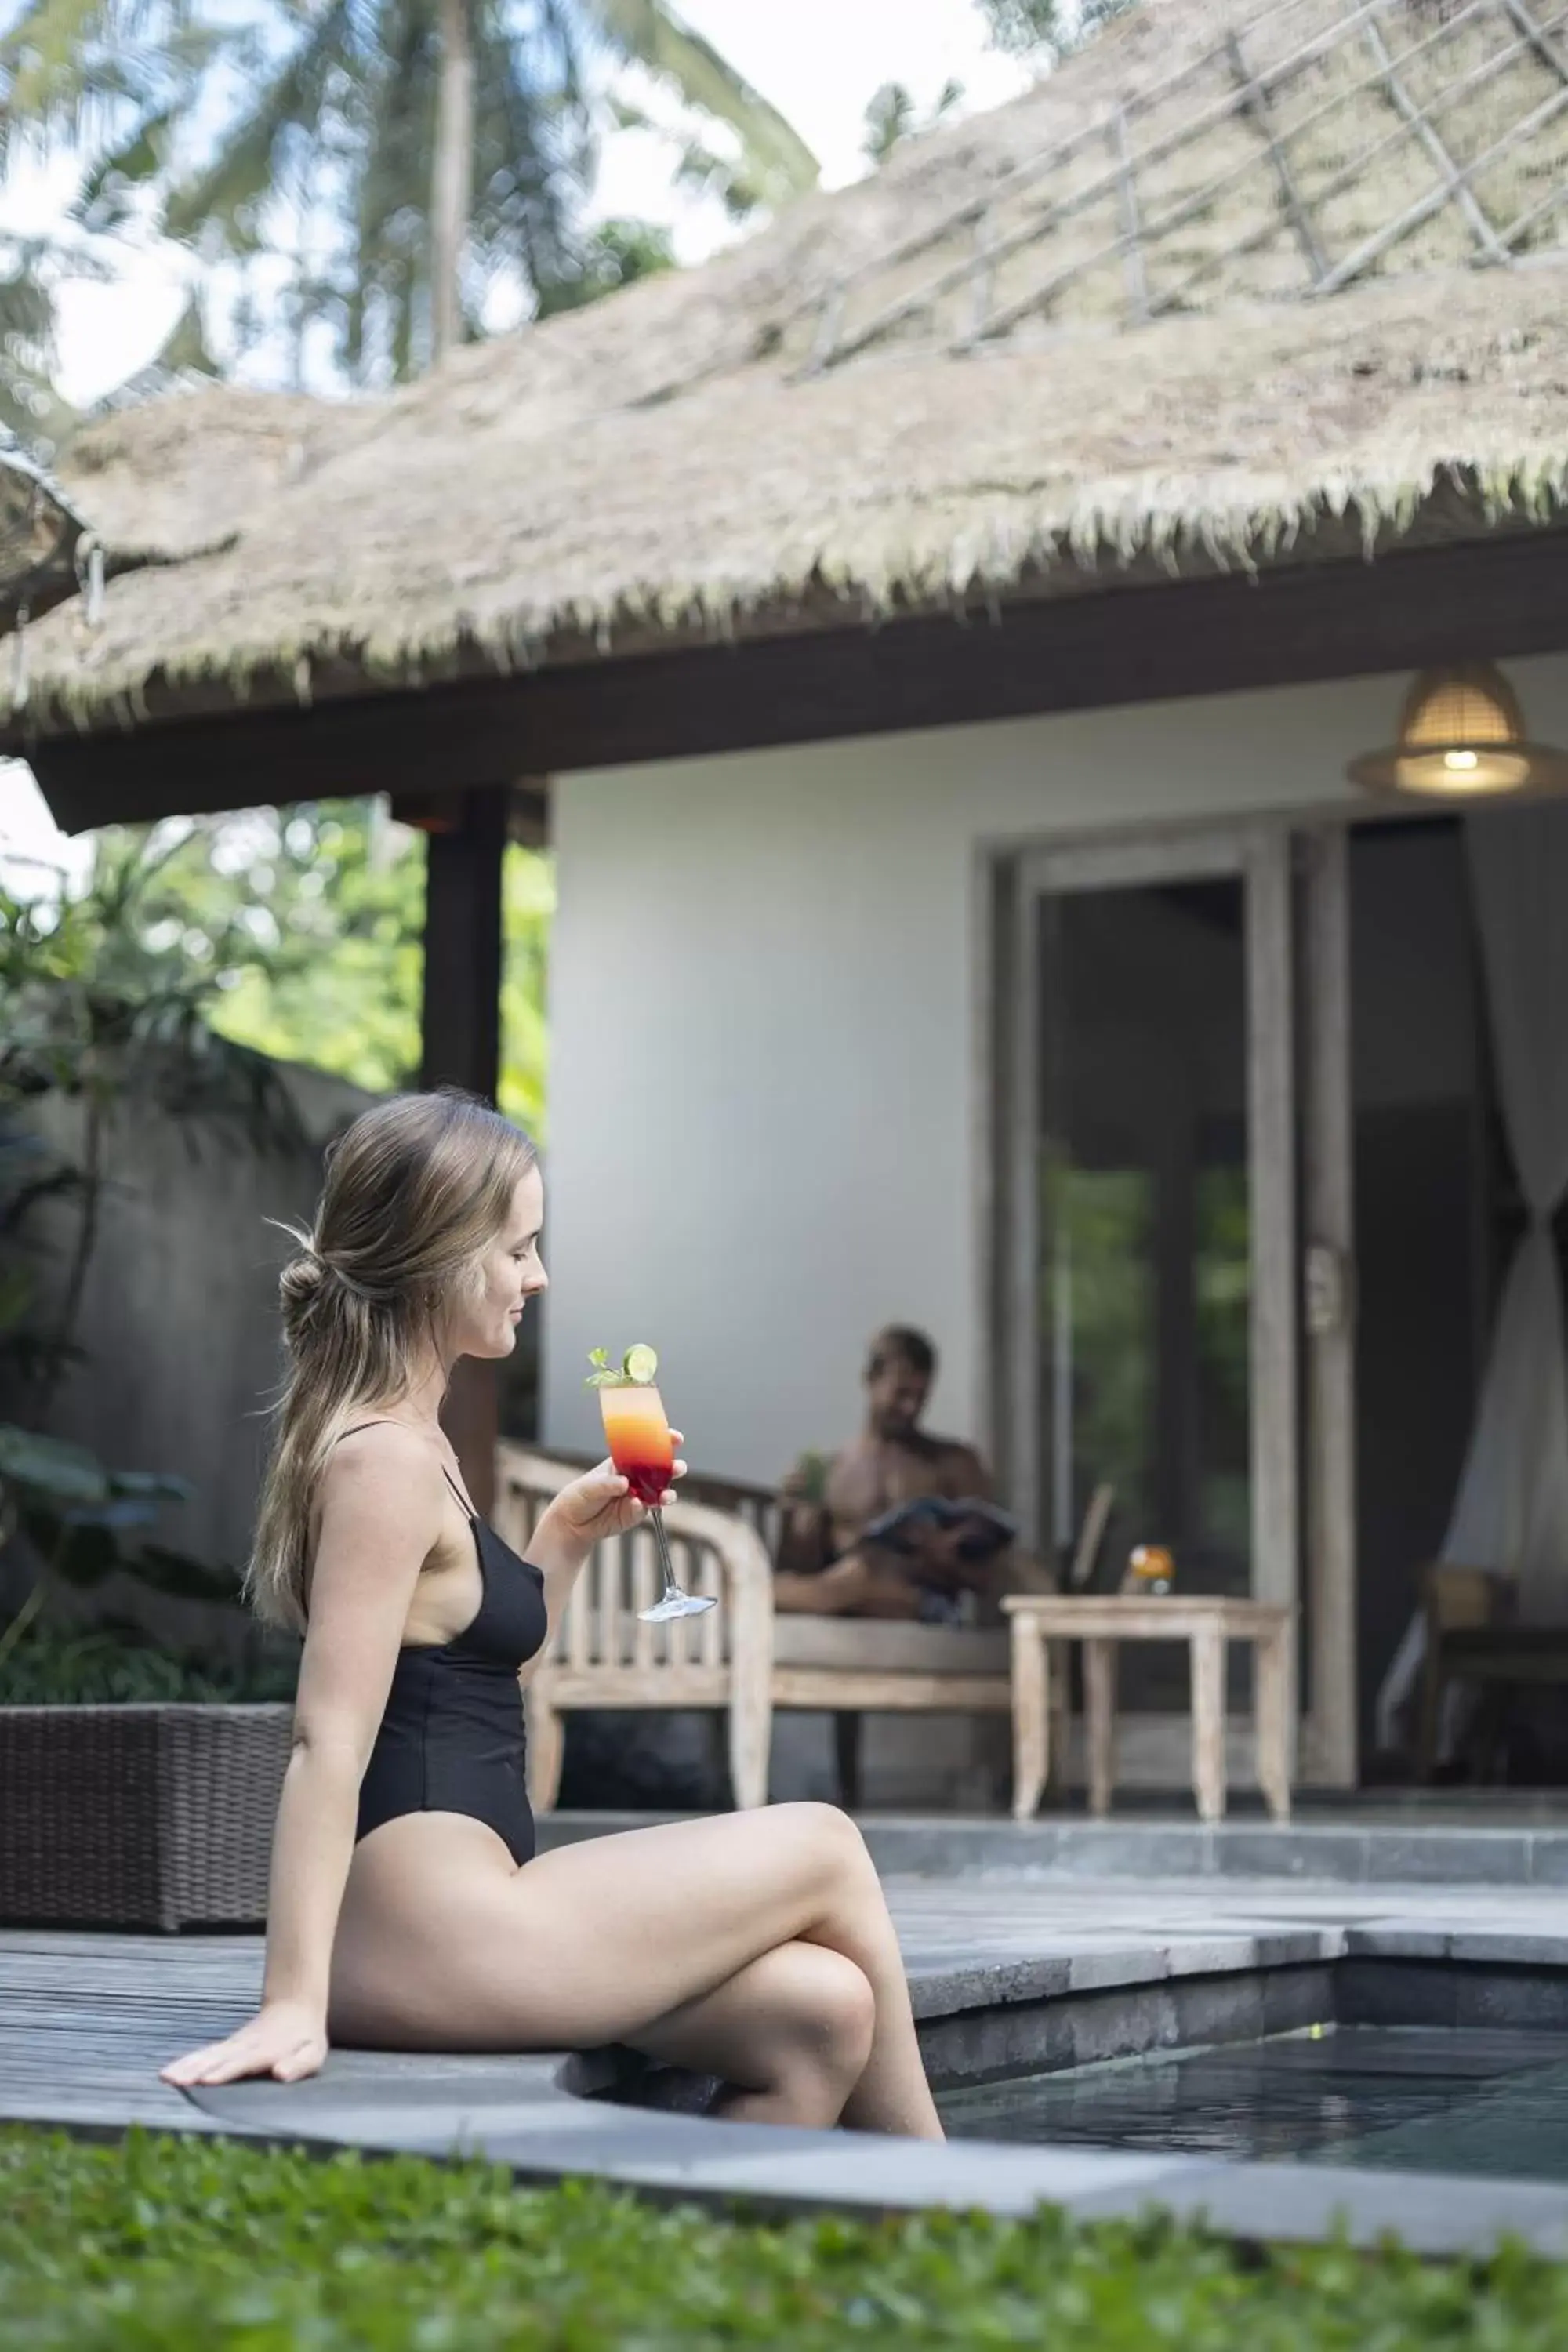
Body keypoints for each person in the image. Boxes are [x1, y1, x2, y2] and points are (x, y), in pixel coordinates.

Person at [162, 1091, 942, 2139]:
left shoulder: (415, 1439)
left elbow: (472, 1686)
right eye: (519, 1249)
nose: (539, 1277)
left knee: (822, 2015)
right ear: (443, 1256)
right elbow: (326, 1740)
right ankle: (952, 2208)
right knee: (825, 1841)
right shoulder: (384, 1460)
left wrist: (565, 1541)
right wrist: (293, 2003)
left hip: (469, 1907)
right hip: (424, 1930)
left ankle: (718, 2283)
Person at [772, 1325, 1051, 1621]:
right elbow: (802, 1567)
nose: (910, 1408)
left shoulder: (952, 1462)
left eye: (920, 1397)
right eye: (901, 1394)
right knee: (854, 1574)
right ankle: (747, 1594)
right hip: (841, 1593)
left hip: (920, 1598)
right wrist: (799, 1521)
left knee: (860, 1577)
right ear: (870, 1380)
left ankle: (744, 1595)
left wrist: (944, 1558)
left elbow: (988, 1568)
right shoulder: (831, 1470)